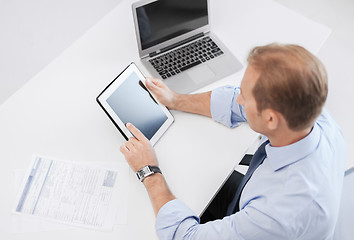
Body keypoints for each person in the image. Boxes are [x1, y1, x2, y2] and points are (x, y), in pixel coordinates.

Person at [119, 43, 346, 239]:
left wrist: (149, 173)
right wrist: (176, 100)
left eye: (245, 96)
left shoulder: (276, 214)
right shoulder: (314, 115)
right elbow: (235, 102)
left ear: (270, 118)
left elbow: (186, 237)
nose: (239, 98)